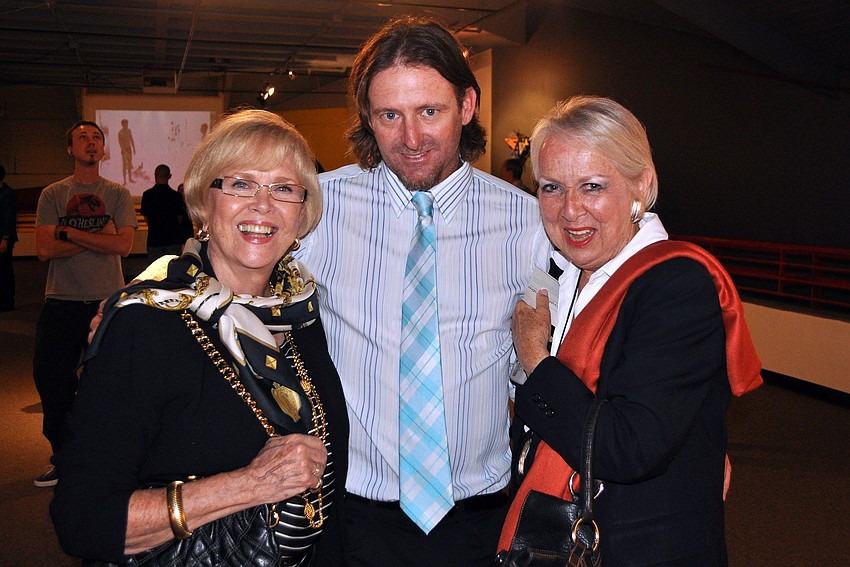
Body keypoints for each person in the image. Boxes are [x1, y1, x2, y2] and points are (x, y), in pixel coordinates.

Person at [296, 16, 549, 567]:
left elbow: (543, 357)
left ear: (466, 105)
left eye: (429, 112)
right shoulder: (319, 208)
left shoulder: (528, 222)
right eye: (390, 115)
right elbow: (228, 256)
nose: (411, 139)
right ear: (368, 116)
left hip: (480, 512)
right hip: (352, 509)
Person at [51, 109, 349, 566]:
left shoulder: (303, 314)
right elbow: (83, 519)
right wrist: (249, 485)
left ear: (302, 216)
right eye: (241, 184)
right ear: (202, 205)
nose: (263, 205)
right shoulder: (146, 324)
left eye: (284, 189)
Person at [499, 96, 763, 566]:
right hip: (561, 535)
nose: (570, 210)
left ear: (640, 185)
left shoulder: (676, 285)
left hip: (638, 547)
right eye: (552, 187)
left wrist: (536, 360)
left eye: (593, 186)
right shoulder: (560, 274)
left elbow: (628, 447)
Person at [32, 120, 137, 487]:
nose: (90, 143)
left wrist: (68, 233)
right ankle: (64, 456)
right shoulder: (52, 194)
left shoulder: (119, 193)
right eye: (82, 138)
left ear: (104, 149)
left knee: (108, 385)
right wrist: (98, 235)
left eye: (96, 138)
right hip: (61, 300)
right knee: (51, 380)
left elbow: (123, 246)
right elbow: (44, 250)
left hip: (107, 301)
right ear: (70, 149)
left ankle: (108, 458)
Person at [141, 164, 190, 261]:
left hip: (154, 240)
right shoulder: (176, 196)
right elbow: (179, 218)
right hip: (173, 240)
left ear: (155, 175)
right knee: (172, 272)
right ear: (169, 176)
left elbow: (146, 217)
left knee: (154, 273)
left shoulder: (147, 195)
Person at [0, 164, 17, 312]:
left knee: (5, 269)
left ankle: (7, 300)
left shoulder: (8, 193)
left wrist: (5, 238)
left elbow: (9, 218)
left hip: (4, 237)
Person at [118, 118, 136, 185]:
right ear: (123, 125)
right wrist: (123, 150)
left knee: (129, 164)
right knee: (124, 165)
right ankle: (125, 181)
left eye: (127, 124)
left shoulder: (129, 131)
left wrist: (134, 148)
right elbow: (120, 143)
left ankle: (130, 178)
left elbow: (131, 139)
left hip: (129, 149)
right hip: (124, 150)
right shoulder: (120, 133)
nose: (127, 125)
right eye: (126, 124)